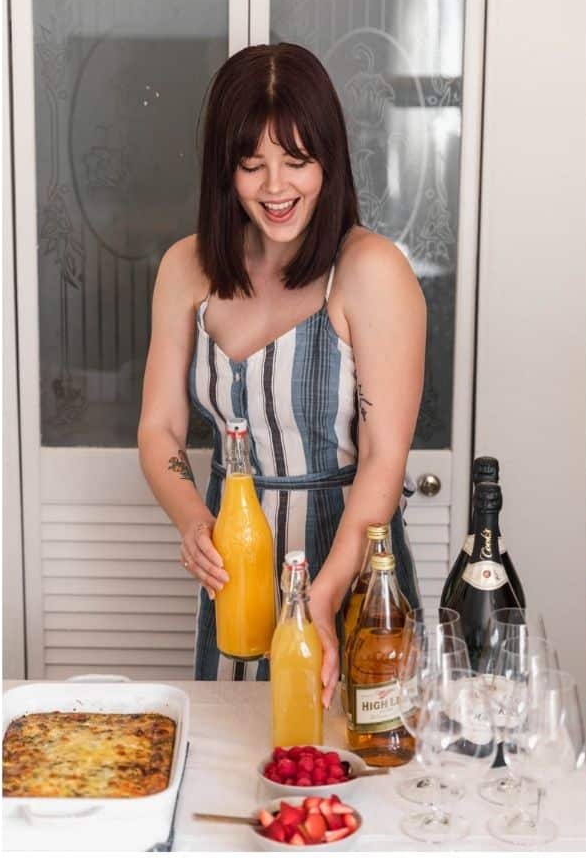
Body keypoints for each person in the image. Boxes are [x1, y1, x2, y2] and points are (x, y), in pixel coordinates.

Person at [138, 43, 426, 704]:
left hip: (349, 574)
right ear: (224, 169)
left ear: (330, 160)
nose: (275, 188)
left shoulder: (371, 271)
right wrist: (191, 520)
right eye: (251, 165)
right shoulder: (187, 268)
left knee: (353, 767)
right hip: (235, 572)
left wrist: (318, 599)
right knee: (239, 771)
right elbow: (159, 429)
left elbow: (384, 460)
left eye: (297, 161)